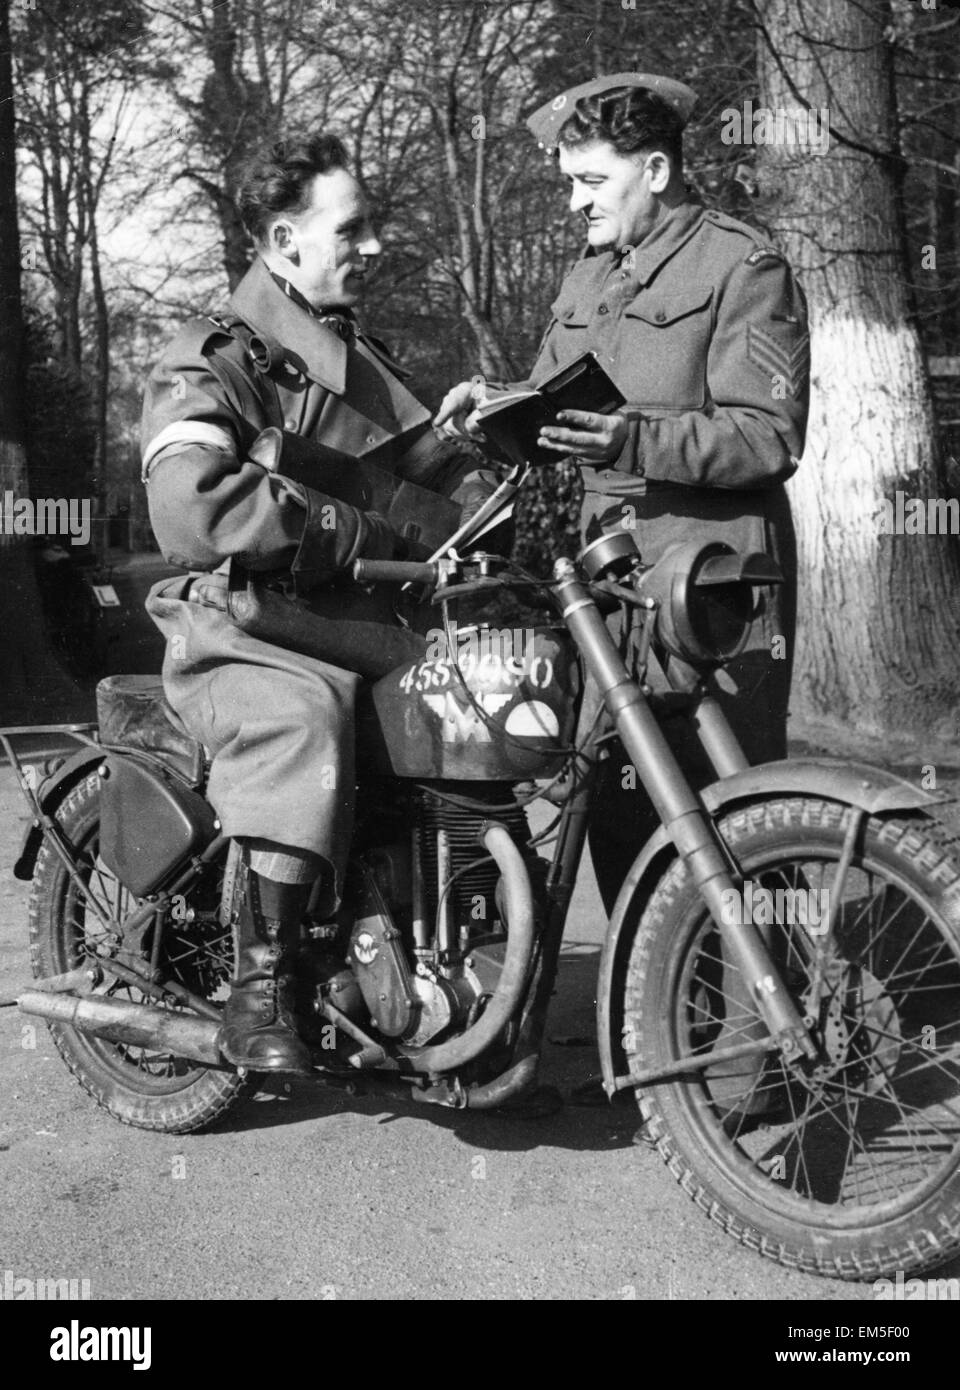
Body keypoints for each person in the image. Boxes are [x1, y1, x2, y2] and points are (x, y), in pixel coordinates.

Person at [141, 133, 487, 1073]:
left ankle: (429, 974)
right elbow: (188, 505)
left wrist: (467, 454)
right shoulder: (209, 357)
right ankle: (263, 989)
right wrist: (341, 533)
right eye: (355, 227)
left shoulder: (348, 354)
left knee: (461, 710)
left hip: (334, 616)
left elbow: (399, 486)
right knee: (307, 715)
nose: (372, 246)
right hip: (228, 617)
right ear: (287, 240)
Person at [436, 72, 810, 917]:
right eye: (569, 182)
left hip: (710, 592)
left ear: (655, 169)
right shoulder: (588, 277)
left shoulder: (743, 265)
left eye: (591, 181)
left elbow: (770, 436)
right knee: (614, 807)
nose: (575, 203)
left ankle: (779, 1030)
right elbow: (555, 401)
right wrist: (492, 403)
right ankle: (653, 1023)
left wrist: (635, 437)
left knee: (735, 810)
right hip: (604, 592)